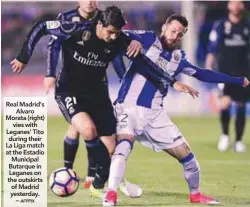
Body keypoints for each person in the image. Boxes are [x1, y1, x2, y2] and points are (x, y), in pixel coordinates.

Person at [10, 6, 196, 199]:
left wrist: (173, 81)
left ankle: (97, 185)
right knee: (88, 131)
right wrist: (24, 57)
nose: (114, 37)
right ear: (100, 24)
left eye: (117, 33)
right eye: (110, 32)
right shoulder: (76, 29)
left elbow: (145, 63)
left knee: (113, 151)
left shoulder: (120, 39)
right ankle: (101, 178)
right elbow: (41, 26)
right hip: (69, 91)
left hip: (98, 95)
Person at [102, 14, 249, 206]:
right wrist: (135, 40)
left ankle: (195, 195)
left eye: (180, 34)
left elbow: (203, 74)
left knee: (187, 156)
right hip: (127, 107)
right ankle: (111, 194)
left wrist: (237, 80)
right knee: (124, 146)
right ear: (164, 27)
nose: (174, 37)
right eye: (173, 31)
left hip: (155, 115)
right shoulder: (148, 39)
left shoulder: (179, 59)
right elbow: (121, 35)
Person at [44, 1, 134, 194]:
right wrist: (50, 73)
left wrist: (124, 81)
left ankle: (99, 177)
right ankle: (73, 169)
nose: (91, 1)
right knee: (83, 128)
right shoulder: (67, 19)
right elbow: (54, 43)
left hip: (96, 89)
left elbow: (118, 53)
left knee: (108, 144)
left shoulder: (108, 21)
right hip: (73, 87)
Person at [205, 1, 250, 153]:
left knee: (241, 105)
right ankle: (225, 136)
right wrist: (208, 67)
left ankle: (238, 141)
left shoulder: (247, 25)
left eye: (240, 3)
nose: (237, 6)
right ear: (229, 6)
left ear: (243, 6)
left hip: (244, 72)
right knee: (224, 103)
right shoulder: (221, 25)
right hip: (224, 72)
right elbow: (212, 48)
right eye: (234, 3)